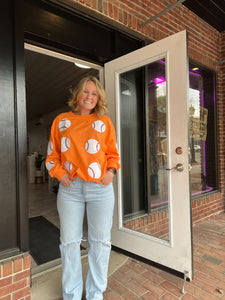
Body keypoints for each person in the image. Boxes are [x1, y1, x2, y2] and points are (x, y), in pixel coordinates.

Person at [45, 76, 120, 300]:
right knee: (69, 243)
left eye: (94, 94)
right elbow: (52, 156)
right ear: (77, 94)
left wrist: (110, 172)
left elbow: (113, 154)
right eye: (86, 92)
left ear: (99, 99)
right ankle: (72, 295)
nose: (89, 97)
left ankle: (96, 294)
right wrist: (60, 174)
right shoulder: (61, 120)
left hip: (100, 189)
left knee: (101, 242)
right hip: (71, 190)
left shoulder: (104, 122)